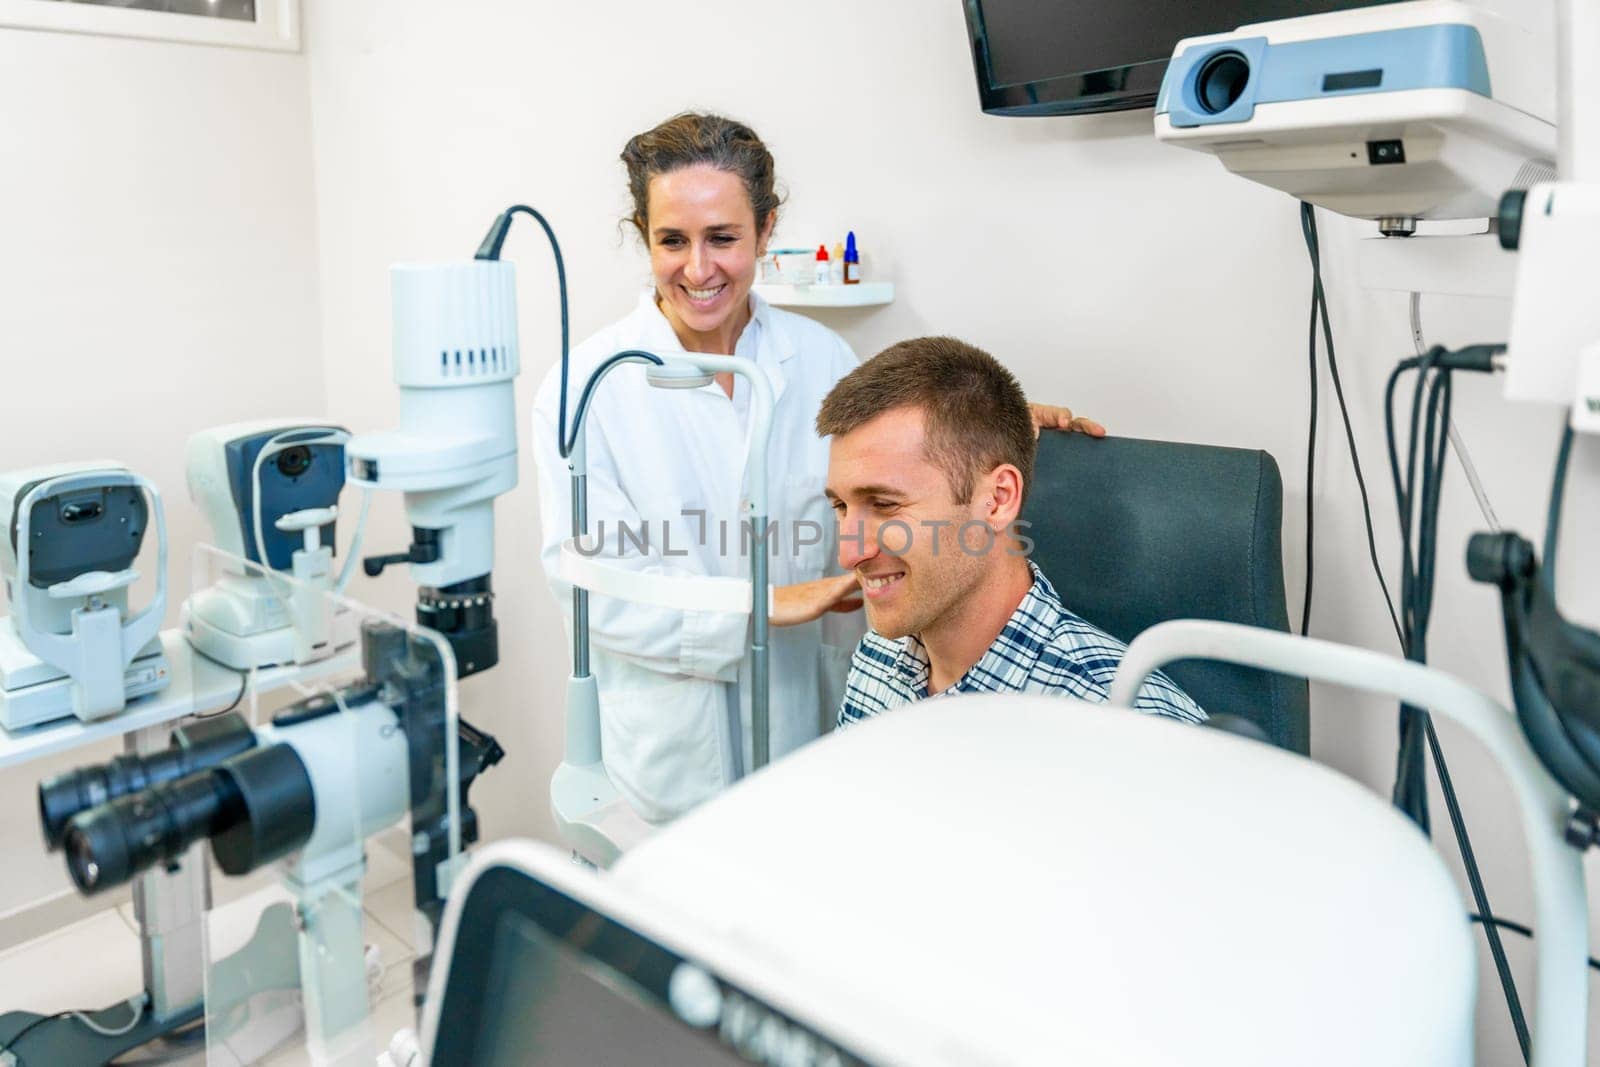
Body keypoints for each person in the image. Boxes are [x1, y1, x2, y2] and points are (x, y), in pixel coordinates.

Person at [533, 113, 1103, 825]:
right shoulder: (587, 385)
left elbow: (896, 465)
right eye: (671, 240)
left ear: (766, 231)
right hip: (675, 748)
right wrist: (769, 604)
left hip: (812, 717)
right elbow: (593, 592)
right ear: (643, 236)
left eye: (724, 238)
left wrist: (1002, 426)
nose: (699, 268)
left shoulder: (821, 356)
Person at [819, 336, 1205, 726]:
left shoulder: (1126, 726)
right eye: (841, 506)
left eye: (885, 504)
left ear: (998, 500)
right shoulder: (878, 658)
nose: (849, 554)